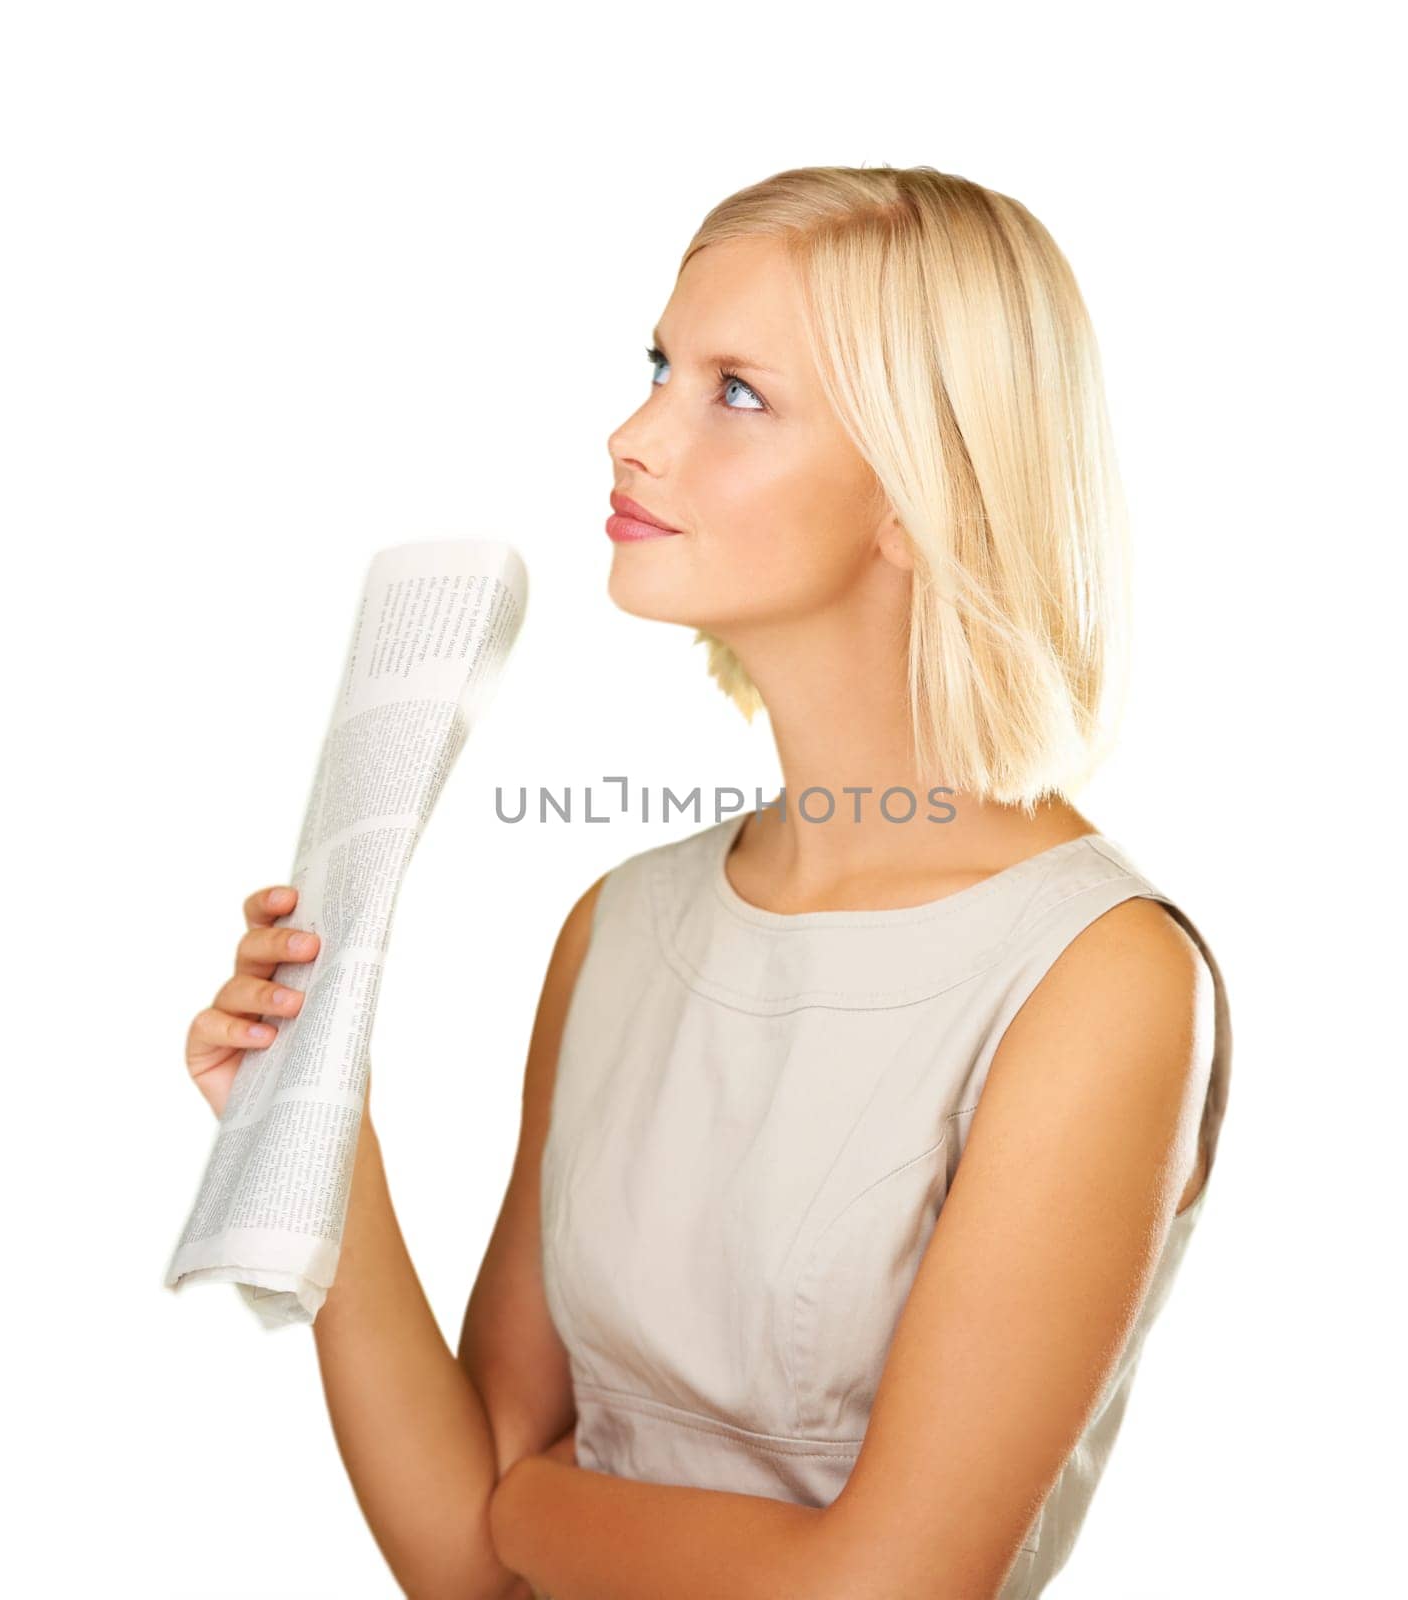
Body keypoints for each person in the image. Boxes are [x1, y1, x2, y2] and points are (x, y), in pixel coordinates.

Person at [183, 164, 1232, 1600]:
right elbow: (455, 1549)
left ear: (923, 493)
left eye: (736, 393)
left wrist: (539, 1512)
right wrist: (317, 1128)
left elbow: (885, 1593)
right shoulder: (622, 927)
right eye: (662, 366)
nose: (632, 437)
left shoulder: (1105, 981)